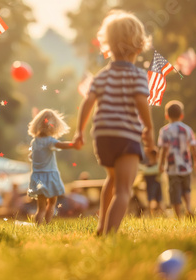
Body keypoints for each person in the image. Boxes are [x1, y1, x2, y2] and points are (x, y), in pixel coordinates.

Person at [73, 10, 155, 235]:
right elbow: (140, 101)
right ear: (139, 45)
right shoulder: (137, 75)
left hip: (102, 136)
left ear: (107, 43)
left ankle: (101, 225)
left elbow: (87, 103)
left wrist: (79, 131)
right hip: (126, 136)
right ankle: (108, 233)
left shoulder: (101, 76)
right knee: (124, 190)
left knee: (112, 178)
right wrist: (149, 128)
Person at [28, 109, 77, 224]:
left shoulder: (34, 142)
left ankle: (39, 227)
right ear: (54, 126)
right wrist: (73, 144)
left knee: (40, 208)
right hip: (50, 176)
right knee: (52, 203)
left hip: (37, 177)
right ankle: (47, 224)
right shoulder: (50, 141)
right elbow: (61, 145)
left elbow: (31, 156)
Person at [158, 100, 196, 219]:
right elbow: (194, 148)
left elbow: (164, 149)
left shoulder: (164, 131)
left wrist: (160, 164)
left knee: (174, 192)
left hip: (172, 167)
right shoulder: (187, 129)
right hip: (186, 166)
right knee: (187, 189)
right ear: (182, 115)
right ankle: (188, 208)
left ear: (166, 115)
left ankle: (178, 217)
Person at [141, 149, 163, 216]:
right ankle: (151, 213)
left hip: (157, 184)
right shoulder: (147, 165)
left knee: (158, 199)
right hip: (150, 185)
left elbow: (157, 172)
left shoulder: (157, 165)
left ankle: (159, 213)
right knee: (151, 199)